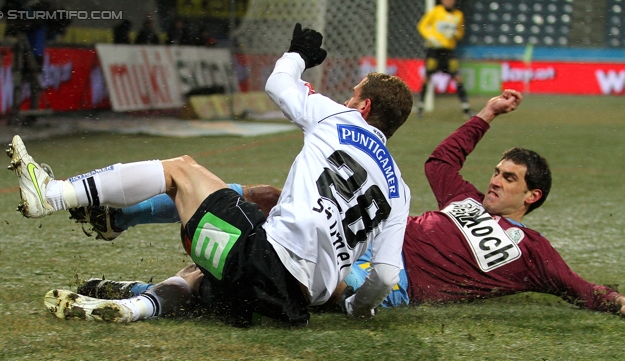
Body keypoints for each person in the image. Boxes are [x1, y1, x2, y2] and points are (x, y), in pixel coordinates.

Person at [62, 90, 625, 320]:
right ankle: (123, 218)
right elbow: (438, 165)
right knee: (272, 198)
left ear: (534, 197)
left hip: (385, 278)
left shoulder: (534, 252)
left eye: (509, 179)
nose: (495, 182)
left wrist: (618, 302)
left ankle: (144, 296)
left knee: (247, 263)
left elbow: (581, 289)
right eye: (497, 172)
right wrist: (488, 116)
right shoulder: (467, 201)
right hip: (359, 236)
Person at [8, 23, 414, 327]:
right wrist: (357, 309)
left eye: (354, 92)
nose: (347, 98)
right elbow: (385, 275)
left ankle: (55, 194)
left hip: (263, 259)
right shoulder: (400, 190)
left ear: (363, 107)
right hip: (292, 304)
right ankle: (136, 307)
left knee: (183, 171)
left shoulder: (340, 118)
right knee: (217, 266)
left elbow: (278, 84)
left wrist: (298, 54)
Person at [416, 0, 472, 118]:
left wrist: (455, 34)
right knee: (427, 77)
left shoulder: (458, 15)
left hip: (448, 51)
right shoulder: (436, 11)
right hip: (434, 50)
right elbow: (422, 25)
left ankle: (466, 108)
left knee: (457, 77)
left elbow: (461, 33)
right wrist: (430, 37)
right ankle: (420, 107)